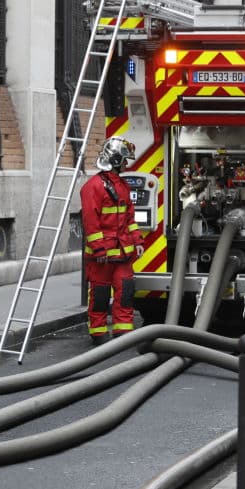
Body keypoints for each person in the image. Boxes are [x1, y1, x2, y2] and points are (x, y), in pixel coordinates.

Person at [80, 137, 144, 345]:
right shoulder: (93, 187)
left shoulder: (123, 186)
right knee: (100, 295)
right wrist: (99, 250)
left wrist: (137, 241)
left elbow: (129, 219)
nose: (126, 165)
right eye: (124, 161)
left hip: (123, 252)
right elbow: (91, 222)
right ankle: (98, 333)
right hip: (102, 256)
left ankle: (122, 333)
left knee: (125, 291)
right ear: (115, 160)